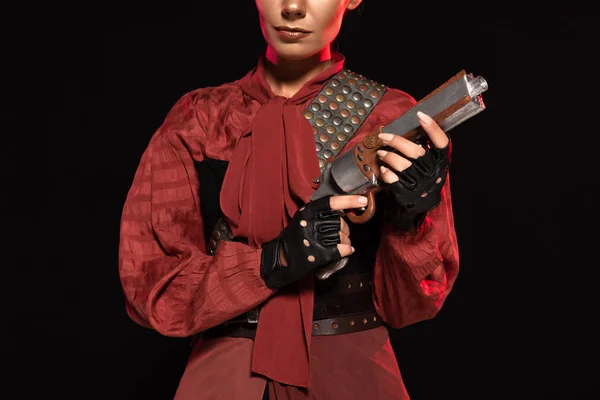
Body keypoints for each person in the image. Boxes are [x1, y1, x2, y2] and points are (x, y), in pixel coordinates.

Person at [118, 0, 459, 398]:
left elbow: (411, 307)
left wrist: (410, 219)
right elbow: (152, 286)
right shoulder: (200, 120)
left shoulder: (393, 118)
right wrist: (273, 262)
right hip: (225, 376)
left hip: (352, 373)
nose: (293, 7)